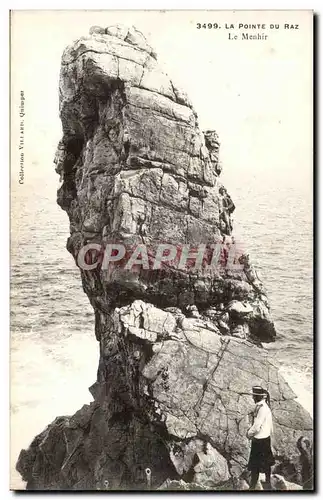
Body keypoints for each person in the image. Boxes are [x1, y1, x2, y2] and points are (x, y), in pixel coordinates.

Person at [246, 386, 275, 490]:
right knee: (267, 463)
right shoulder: (264, 406)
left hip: (259, 440)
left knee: (255, 465)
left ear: (258, 397)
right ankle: (268, 484)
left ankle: (252, 487)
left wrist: (249, 434)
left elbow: (257, 426)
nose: (253, 398)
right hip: (266, 438)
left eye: (254, 396)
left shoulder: (261, 408)